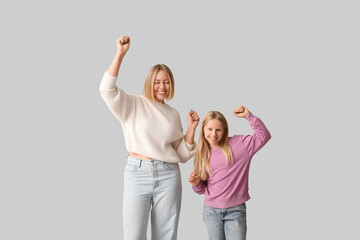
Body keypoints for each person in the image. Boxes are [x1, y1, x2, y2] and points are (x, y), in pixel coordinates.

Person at [100, 36, 200, 240]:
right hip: (138, 173)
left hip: (169, 175)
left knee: (166, 236)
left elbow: (181, 154)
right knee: (134, 235)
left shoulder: (173, 114)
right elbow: (106, 90)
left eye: (166, 82)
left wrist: (191, 129)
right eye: (157, 82)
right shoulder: (132, 103)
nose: (162, 87)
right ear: (149, 83)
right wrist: (120, 54)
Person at [188, 105, 271, 240]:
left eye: (218, 130)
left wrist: (248, 116)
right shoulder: (202, 153)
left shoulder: (240, 145)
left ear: (225, 130)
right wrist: (196, 183)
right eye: (209, 129)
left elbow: (264, 136)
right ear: (203, 129)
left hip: (235, 211)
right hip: (211, 212)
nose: (213, 134)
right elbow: (203, 190)